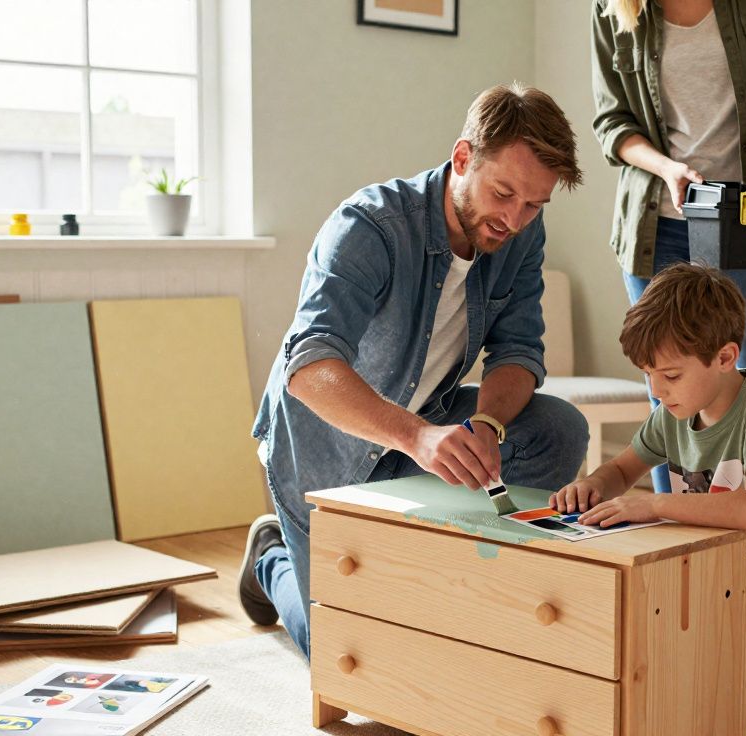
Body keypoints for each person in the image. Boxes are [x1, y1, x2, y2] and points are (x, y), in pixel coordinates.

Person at [239, 83, 590, 658]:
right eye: (503, 193)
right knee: (350, 654)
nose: (514, 219)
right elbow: (307, 365)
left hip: (422, 427)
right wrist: (418, 437)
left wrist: (488, 425)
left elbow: (519, 353)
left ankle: (478, 584)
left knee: (558, 427)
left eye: (534, 205)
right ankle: (270, 557)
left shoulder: (521, 234)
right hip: (324, 454)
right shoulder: (369, 226)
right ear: (462, 158)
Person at [549, 263, 746, 734]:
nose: (656, 390)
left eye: (670, 375)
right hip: (718, 595)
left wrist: (653, 504)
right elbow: (622, 470)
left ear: (725, 357)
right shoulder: (671, 413)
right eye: (648, 374)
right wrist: (594, 484)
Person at [591, 0, 746, 492]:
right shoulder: (614, 8)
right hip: (660, 224)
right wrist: (667, 169)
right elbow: (613, 123)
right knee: (668, 397)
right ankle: (672, 528)